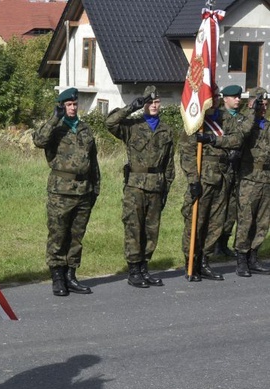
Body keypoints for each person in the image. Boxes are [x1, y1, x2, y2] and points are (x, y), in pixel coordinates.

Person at [33, 88, 100, 296]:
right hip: (61, 192)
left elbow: (94, 162)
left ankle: (71, 275)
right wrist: (55, 118)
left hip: (83, 191)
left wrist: (95, 189)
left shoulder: (85, 129)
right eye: (68, 105)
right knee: (58, 235)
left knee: (76, 237)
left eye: (74, 104)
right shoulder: (55, 129)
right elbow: (39, 141)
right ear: (62, 106)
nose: (72, 108)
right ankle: (57, 277)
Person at [105, 86, 174, 287]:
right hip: (135, 186)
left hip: (156, 186)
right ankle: (134, 270)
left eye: (156, 102)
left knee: (151, 230)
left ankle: (144, 268)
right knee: (134, 228)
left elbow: (169, 165)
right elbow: (109, 122)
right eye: (149, 102)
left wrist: (166, 189)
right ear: (144, 104)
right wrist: (130, 107)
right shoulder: (132, 126)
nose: (153, 105)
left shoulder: (166, 130)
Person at [179, 87, 245, 281]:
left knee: (215, 224)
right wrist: (193, 180)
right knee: (196, 223)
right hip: (203, 180)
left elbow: (238, 139)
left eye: (216, 97)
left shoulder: (226, 118)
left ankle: (205, 261)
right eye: (211, 96)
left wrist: (214, 139)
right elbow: (186, 154)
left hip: (223, 180)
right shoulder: (196, 121)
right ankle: (190, 262)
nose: (213, 100)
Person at [234, 88, 270, 277]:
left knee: (262, 221)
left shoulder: (268, 126)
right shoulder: (244, 123)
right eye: (259, 104)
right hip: (249, 178)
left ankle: (253, 256)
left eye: (265, 105)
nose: (263, 108)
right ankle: (241, 257)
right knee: (246, 219)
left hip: (266, 179)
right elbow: (240, 136)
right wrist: (251, 113)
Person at [215, 85, 250, 258]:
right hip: (222, 168)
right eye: (234, 97)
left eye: (239, 96)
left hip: (239, 168)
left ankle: (223, 242)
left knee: (233, 208)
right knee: (219, 206)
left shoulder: (243, 119)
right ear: (225, 99)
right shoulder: (219, 117)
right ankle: (213, 242)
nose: (238, 99)